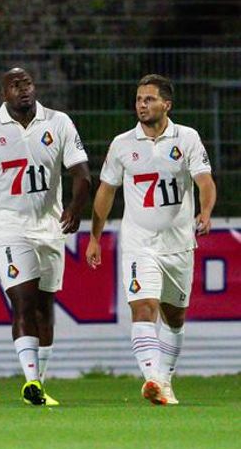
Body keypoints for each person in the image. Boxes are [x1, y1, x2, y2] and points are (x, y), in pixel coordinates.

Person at [0, 67, 91, 406]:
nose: (23, 90)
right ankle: (29, 379)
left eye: (27, 83)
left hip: (49, 227)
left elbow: (82, 174)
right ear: (4, 93)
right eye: (15, 86)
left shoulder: (58, 123)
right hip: (8, 226)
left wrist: (75, 208)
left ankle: (39, 387)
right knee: (23, 302)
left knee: (45, 308)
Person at [87, 74, 216, 405]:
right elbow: (105, 191)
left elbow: (204, 181)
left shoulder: (186, 138)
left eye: (148, 99)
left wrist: (205, 212)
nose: (141, 105)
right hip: (138, 243)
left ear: (166, 104)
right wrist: (95, 237)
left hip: (178, 244)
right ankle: (152, 378)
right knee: (144, 307)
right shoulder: (122, 144)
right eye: (138, 99)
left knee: (174, 317)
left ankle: (165, 380)